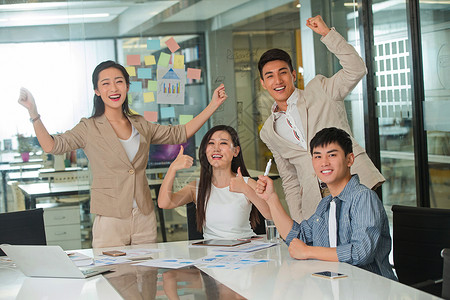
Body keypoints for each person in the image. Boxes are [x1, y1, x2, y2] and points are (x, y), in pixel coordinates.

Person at [17, 60, 228, 248]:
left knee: (146, 283)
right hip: (110, 217)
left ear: (127, 87)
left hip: (144, 215)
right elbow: (52, 146)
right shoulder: (89, 127)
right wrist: (33, 113)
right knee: (112, 283)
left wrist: (212, 105)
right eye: (105, 83)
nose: (113, 88)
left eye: (119, 82)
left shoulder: (140, 124)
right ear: (97, 91)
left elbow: (180, 132)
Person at [258, 15, 385, 223]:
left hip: (354, 184)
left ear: (292, 74)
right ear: (263, 83)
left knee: (361, 250)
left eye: (283, 73)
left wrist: (327, 34)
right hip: (315, 204)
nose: (278, 80)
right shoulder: (269, 131)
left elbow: (356, 69)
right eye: (270, 76)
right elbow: (289, 178)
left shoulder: (320, 89)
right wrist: (299, 219)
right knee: (323, 254)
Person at [256, 127, 397, 280]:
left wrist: (309, 251)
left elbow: (360, 252)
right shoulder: (326, 204)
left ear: (349, 159)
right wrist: (271, 198)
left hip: (371, 288)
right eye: (317, 157)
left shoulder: (363, 198)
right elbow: (298, 237)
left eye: (332, 155)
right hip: (338, 286)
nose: (324, 163)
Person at [158, 125, 271, 239]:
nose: (216, 148)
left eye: (223, 143)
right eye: (211, 143)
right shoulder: (197, 187)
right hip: (213, 252)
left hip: (245, 249)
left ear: (235, 151)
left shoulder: (247, 183)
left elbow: (271, 214)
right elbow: (164, 203)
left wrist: (246, 190)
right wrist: (172, 168)